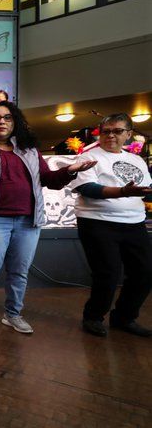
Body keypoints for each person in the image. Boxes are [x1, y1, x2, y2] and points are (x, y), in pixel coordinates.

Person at [0, 101, 96, 334]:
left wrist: (70, 170)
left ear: (15, 123)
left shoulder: (29, 150)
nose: (2, 122)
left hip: (27, 220)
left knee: (19, 271)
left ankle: (13, 315)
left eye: (7, 118)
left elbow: (48, 179)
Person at [70, 113, 152, 337]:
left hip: (134, 222)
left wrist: (137, 195)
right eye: (106, 131)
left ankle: (124, 317)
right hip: (97, 221)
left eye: (117, 131)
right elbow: (88, 189)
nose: (111, 135)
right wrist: (123, 192)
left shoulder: (137, 160)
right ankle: (93, 317)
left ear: (128, 134)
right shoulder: (88, 156)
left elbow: (144, 190)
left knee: (144, 272)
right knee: (108, 273)